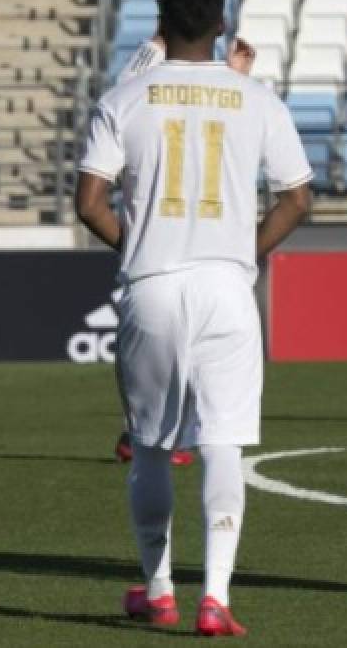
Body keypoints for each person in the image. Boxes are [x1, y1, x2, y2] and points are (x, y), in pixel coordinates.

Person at [75, 0, 313, 637]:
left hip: (151, 285)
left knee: (150, 448)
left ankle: (158, 591)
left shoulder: (125, 99)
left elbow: (88, 203)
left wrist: (139, 248)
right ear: (220, 22)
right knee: (223, 447)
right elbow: (297, 197)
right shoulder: (255, 98)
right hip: (225, 288)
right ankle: (214, 598)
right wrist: (249, 252)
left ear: (159, 19)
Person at [109, 30, 259, 468]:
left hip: (196, 234)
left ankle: (155, 435)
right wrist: (157, 41)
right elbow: (123, 91)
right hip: (159, 238)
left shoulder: (193, 90)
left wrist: (234, 77)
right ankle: (144, 434)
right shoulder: (141, 91)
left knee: (192, 344)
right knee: (164, 347)